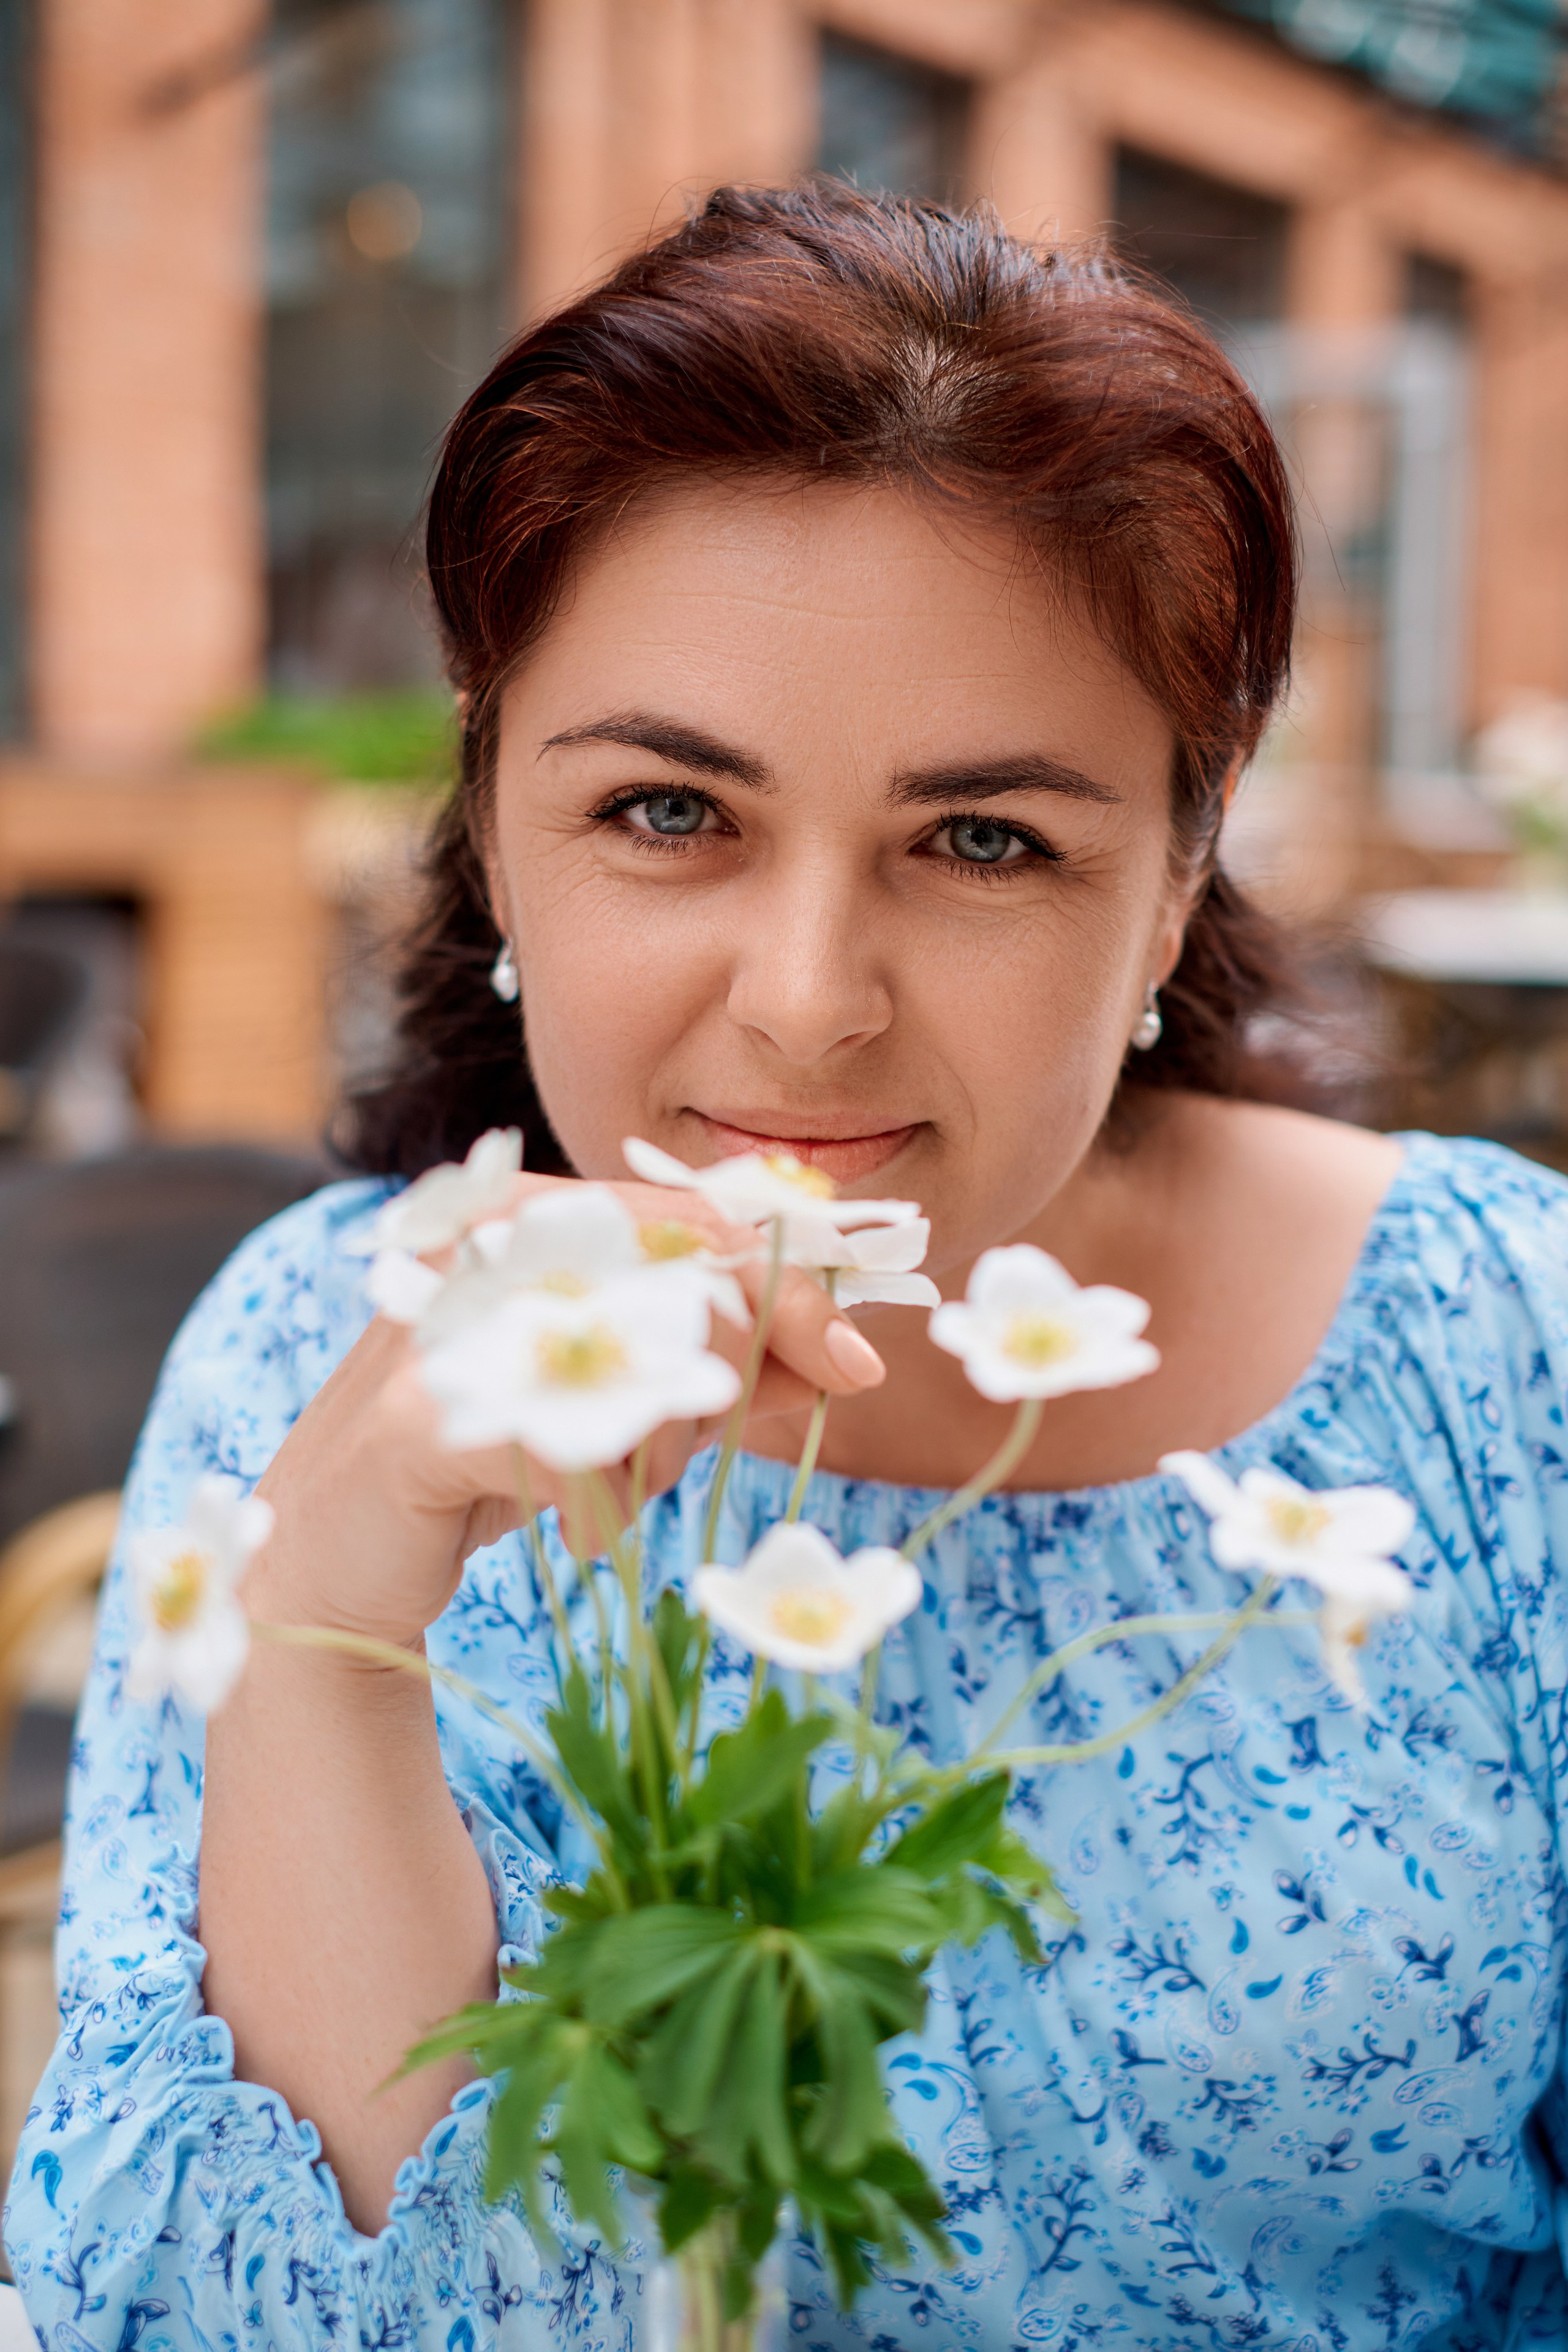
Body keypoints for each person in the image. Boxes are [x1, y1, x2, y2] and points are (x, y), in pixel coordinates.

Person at [10, 184, 1568, 2352]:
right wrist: (327, 1627)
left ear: (1183, 868)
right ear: (490, 825)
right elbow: (216, 2314)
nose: (810, 1001)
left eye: (987, 841)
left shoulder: (1510, 1352)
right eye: (669, 812)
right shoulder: (314, 1347)